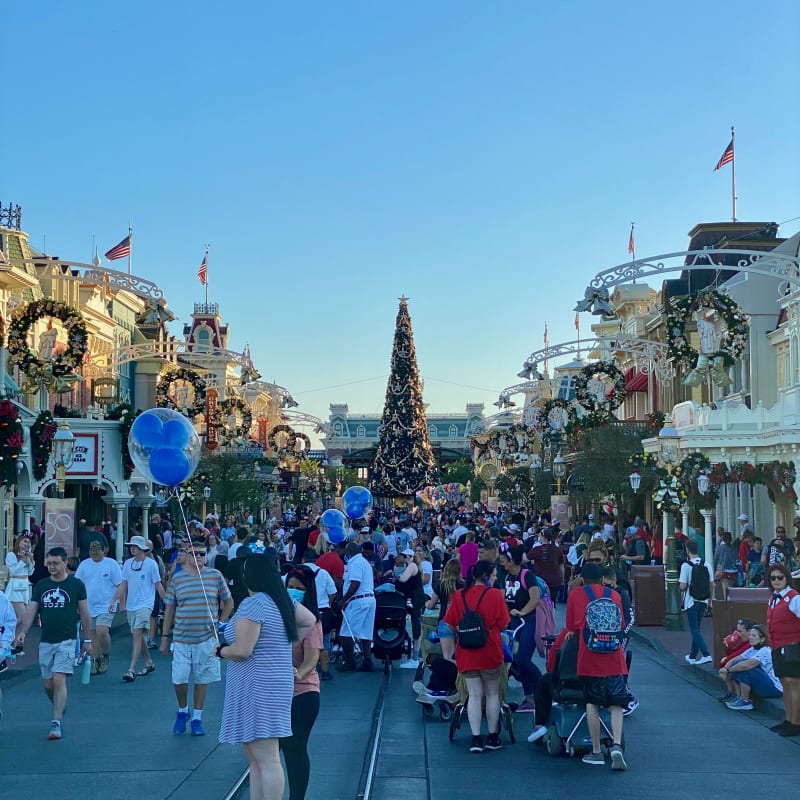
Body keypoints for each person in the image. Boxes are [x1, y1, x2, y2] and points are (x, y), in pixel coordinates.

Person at [217, 553, 316, 800]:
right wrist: (283, 643)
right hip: (272, 684)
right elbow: (309, 621)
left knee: (266, 757)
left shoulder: (254, 604)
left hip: (257, 686)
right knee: (257, 757)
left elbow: (242, 650)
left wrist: (219, 650)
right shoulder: (282, 601)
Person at [14, 547, 92, 740]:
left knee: (59, 679)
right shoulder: (41, 585)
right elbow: (31, 611)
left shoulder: (76, 585)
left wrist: (88, 639)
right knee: (48, 685)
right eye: (49, 563)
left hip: (67, 639)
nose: (52, 567)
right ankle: (59, 705)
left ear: (65, 562)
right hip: (46, 640)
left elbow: (84, 613)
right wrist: (22, 632)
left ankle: (55, 722)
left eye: (56, 563)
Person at [161, 539, 233, 735]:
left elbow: (229, 602)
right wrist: (165, 637)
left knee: (202, 679)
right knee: (179, 679)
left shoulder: (215, 576)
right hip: (181, 638)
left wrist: (221, 622)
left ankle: (197, 718)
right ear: (187, 556)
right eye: (194, 553)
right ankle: (183, 710)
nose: (199, 557)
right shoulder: (177, 579)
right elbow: (169, 609)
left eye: (202, 553)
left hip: (207, 638)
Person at [565, 562, 628, 770]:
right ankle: (617, 744)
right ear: (602, 579)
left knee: (592, 703)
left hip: (590, 656)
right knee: (616, 703)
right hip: (614, 656)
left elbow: (572, 626)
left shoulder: (576, 594)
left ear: (583, 579)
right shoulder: (615, 596)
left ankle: (596, 751)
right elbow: (620, 625)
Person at [443, 560, 510, 754]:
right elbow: (504, 624)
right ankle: (492, 736)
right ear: (487, 576)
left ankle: (475, 738)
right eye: (495, 575)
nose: (496, 578)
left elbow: (450, 624)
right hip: (490, 649)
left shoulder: (458, 595)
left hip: (466, 651)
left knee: (473, 694)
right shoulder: (495, 595)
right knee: (492, 693)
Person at [281, 566, 323, 800]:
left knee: (294, 748)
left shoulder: (312, 622)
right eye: (290, 588)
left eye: (299, 589)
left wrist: (297, 674)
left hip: (302, 694)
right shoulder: (277, 615)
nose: (293, 592)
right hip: (276, 693)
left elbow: (311, 660)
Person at [113, 535, 165, 682]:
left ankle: (131, 669)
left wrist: (167, 603)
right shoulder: (128, 563)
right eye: (131, 546)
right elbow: (123, 584)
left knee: (136, 635)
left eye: (135, 546)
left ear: (142, 548)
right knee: (138, 636)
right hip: (131, 605)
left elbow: (158, 585)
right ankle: (148, 662)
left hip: (145, 604)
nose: (132, 548)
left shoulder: (151, 564)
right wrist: (113, 601)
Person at [498, 545, 542, 714]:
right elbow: (502, 598)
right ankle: (530, 696)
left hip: (527, 621)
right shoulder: (505, 576)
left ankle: (542, 688)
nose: (502, 564)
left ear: (512, 560)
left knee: (523, 658)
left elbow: (535, 598)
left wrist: (522, 612)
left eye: (504, 561)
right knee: (516, 659)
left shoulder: (527, 575)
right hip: (512, 623)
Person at [75, 539, 122, 675]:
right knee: (92, 634)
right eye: (92, 554)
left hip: (106, 604)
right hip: (89, 605)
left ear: (104, 551)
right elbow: (78, 584)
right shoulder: (84, 565)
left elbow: (120, 585)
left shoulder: (111, 564)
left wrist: (114, 601)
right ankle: (95, 660)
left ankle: (105, 655)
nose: (95, 556)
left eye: (98, 553)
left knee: (102, 631)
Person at [766, 563, 800, 736]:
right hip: (777, 646)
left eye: (780, 577)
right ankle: (788, 720)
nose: (777, 581)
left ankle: (796, 723)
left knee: (793, 683)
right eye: (773, 578)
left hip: (792, 646)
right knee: (785, 683)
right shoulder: (773, 597)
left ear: (787, 578)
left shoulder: (794, 598)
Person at [718, 624, 782, 710]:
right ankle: (738, 696)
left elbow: (746, 665)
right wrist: (725, 669)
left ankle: (745, 701)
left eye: (754, 635)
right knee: (737, 663)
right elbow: (735, 659)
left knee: (746, 669)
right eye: (750, 635)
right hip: (763, 684)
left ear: (762, 639)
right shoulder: (753, 649)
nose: (750, 637)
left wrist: (728, 671)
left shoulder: (765, 650)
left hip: (774, 689)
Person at [337, 542, 376, 672]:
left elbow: (355, 583)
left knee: (345, 633)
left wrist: (343, 599)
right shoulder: (364, 562)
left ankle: (350, 662)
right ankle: (367, 660)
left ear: (349, 552)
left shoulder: (355, 563)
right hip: (369, 598)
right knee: (366, 632)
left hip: (359, 600)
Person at [301, 549, 337, 680]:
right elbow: (333, 592)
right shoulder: (324, 573)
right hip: (322, 611)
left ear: (303, 560)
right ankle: (325, 671)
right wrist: (328, 603)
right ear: (316, 560)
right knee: (324, 641)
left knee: (304, 641)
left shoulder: (299, 573)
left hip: (304, 611)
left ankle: (306, 669)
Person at [679, 539, 715, 665]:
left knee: (694, 629)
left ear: (687, 550)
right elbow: (712, 584)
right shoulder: (707, 564)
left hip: (691, 600)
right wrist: (710, 601)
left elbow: (683, 586)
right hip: (703, 599)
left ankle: (706, 654)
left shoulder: (686, 566)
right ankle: (693, 655)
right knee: (697, 628)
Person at [395, 547, 427, 668]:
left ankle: (415, 658)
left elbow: (403, 579)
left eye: (403, 556)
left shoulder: (411, 566)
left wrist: (395, 578)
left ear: (408, 557)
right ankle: (416, 655)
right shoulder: (416, 566)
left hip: (416, 599)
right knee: (416, 624)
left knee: (416, 625)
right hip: (417, 597)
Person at [425, 557, 462, 661]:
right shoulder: (464, 585)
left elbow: (431, 604)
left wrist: (426, 603)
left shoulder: (440, 586)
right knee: (462, 656)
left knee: (448, 656)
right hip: (461, 622)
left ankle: (448, 675)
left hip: (445, 621)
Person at [4, 536, 35, 649]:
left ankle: (15, 645)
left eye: (29, 543)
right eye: (24, 541)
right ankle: (4, 630)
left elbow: (31, 572)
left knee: (24, 619)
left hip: (25, 587)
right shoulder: (11, 555)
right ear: (18, 542)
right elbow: (13, 571)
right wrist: (22, 561)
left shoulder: (28, 556)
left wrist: (30, 560)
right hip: (15, 587)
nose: (26, 544)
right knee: (22, 617)